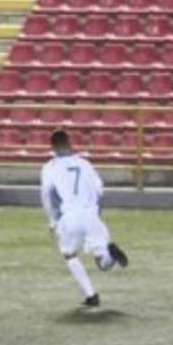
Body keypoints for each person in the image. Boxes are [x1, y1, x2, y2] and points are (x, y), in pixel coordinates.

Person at [40, 129, 130, 308]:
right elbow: (99, 190)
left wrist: (52, 221)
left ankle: (91, 294)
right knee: (103, 265)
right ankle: (109, 256)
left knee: (69, 254)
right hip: (90, 214)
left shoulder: (49, 167)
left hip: (69, 216)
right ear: (70, 144)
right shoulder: (85, 163)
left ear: (53, 147)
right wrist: (97, 214)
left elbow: (46, 195)